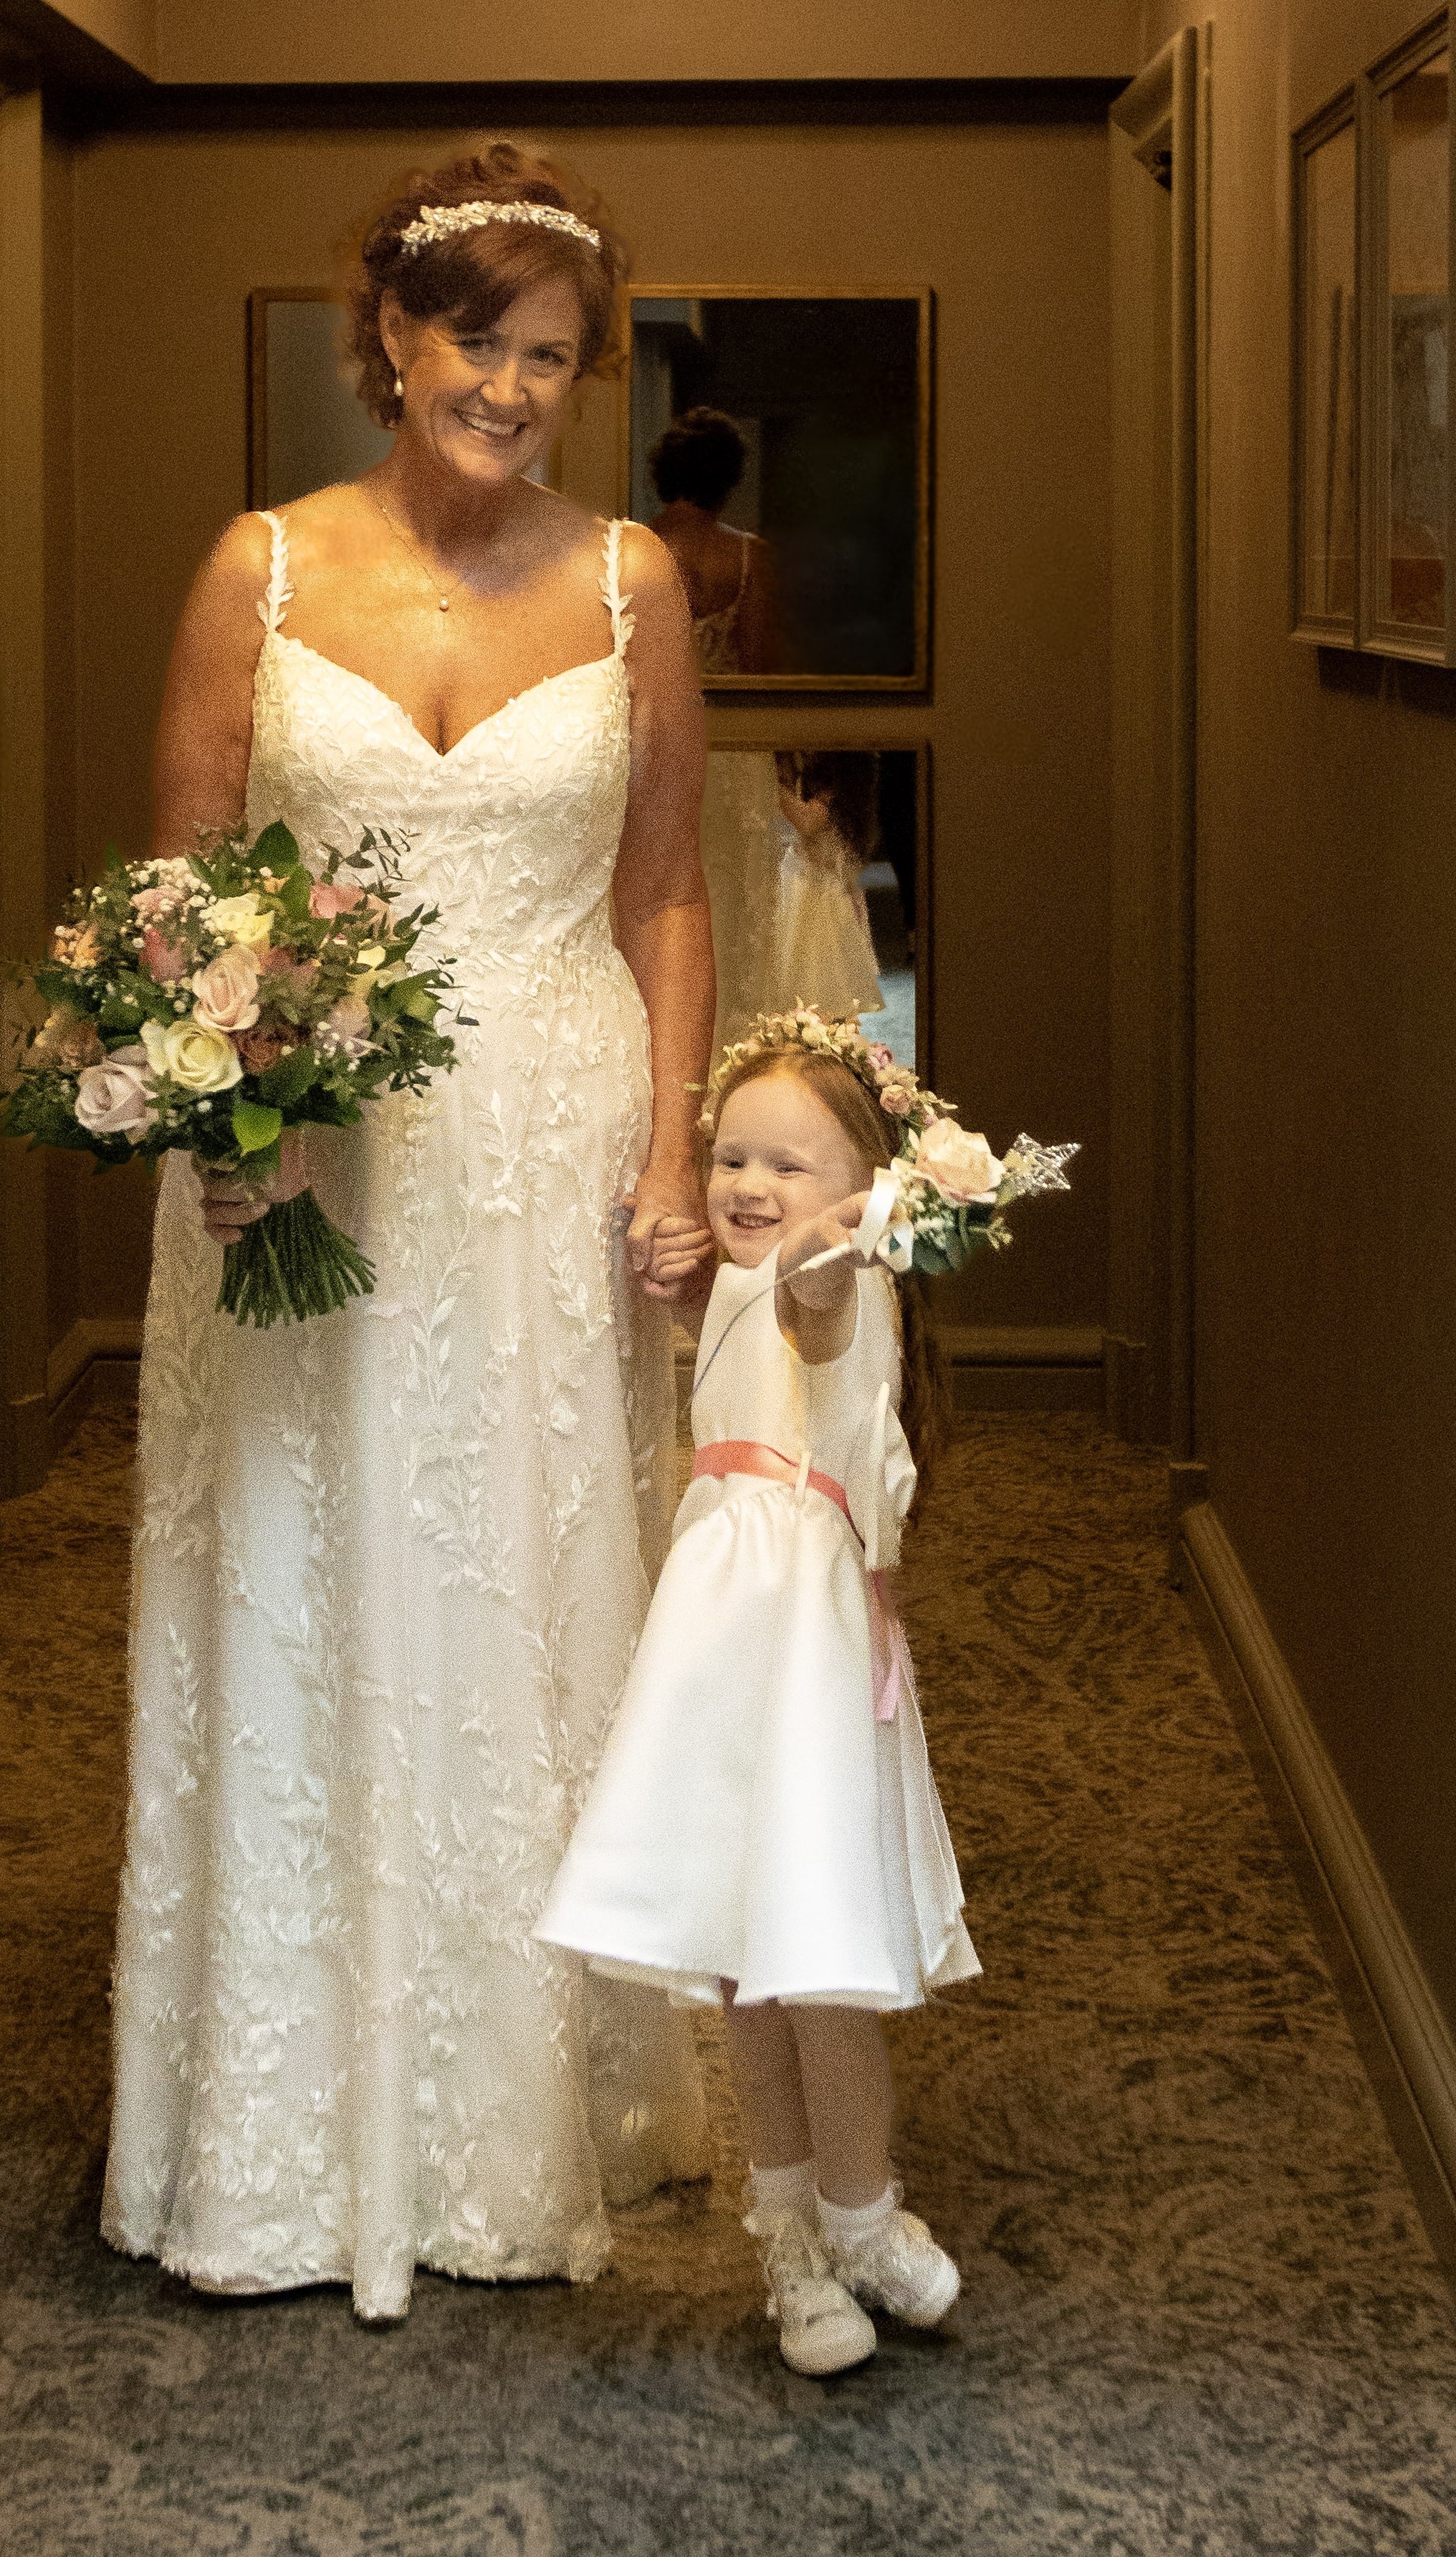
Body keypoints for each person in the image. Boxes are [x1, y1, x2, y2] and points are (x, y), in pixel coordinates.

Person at [101, 145, 718, 2324]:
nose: (511, 391)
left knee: (526, 1586)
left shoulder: (632, 580)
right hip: (310, 1159)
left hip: (549, 1148)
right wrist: (217, 1108)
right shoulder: (259, 569)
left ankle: (516, 2114)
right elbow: (179, 889)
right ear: (387, 333)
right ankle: (286, 2122)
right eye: (477, 343)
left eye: (550, 358)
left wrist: (670, 1158)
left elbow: (666, 889)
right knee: (304, 1573)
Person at [538, 1015, 977, 2374]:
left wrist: (843, 1233)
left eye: (789, 1164)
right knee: (746, 1959)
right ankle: (788, 2232)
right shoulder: (742, 1281)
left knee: (821, 1958)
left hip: (807, 1659)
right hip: (720, 1650)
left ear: (862, 1188)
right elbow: (738, 1295)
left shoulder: (836, 1285)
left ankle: (862, 2213)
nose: (746, 1184)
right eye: (731, 1156)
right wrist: (704, 1252)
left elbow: (808, 1294)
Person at [646, 408, 785, 1057]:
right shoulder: (749, 556)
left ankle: (667, 1043)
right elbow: (760, 670)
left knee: (658, 894)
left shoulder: (633, 549)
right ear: (728, 477)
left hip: (653, 750)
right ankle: (737, 1051)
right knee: (736, 903)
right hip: (734, 752)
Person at [775, 750, 885, 1021]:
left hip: (819, 886)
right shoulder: (834, 793)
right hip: (807, 880)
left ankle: (827, 1025)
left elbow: (807, 821)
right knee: (806, 961)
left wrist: (774, 785)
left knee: (825, 964)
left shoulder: (834, 794)